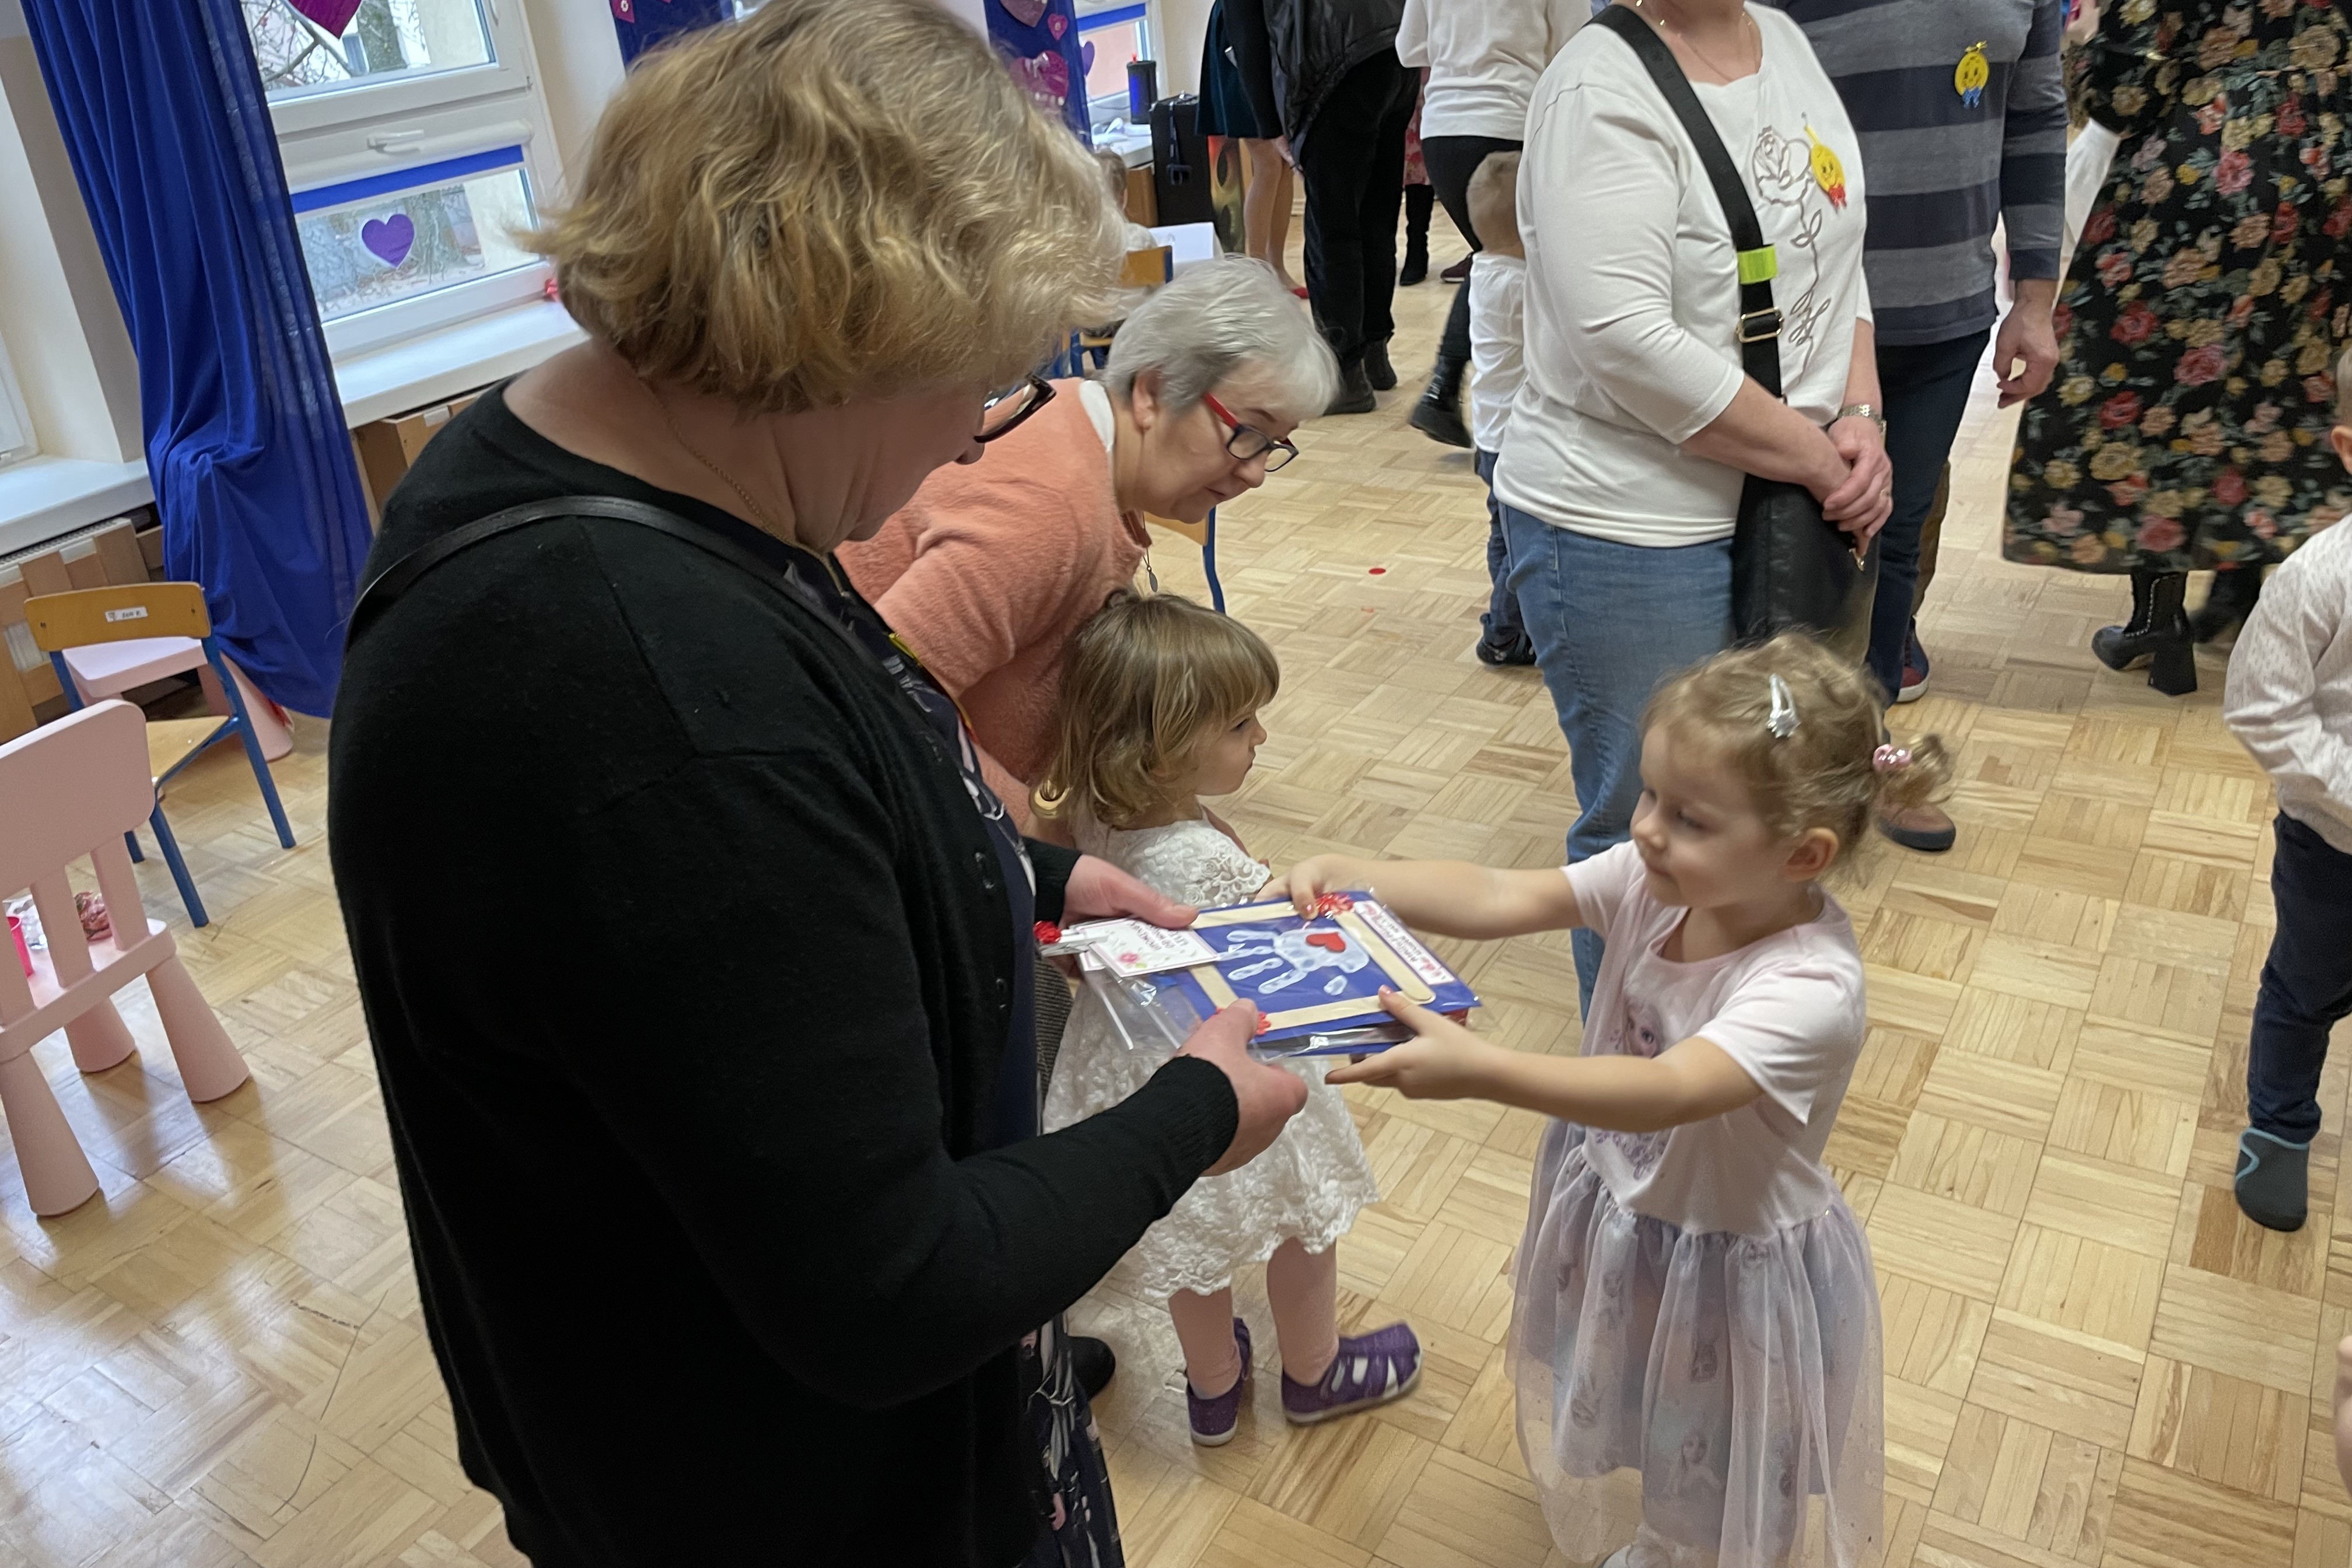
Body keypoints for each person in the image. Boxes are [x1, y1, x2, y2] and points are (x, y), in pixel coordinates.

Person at [326, 6, 1314, 1564]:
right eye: (977, 383)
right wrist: (1188, 1116)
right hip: (786, 1494)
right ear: (848, 339)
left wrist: (1037, 874)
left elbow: (808, 832)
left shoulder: (591, 467)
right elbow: (889, 1288)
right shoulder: (651, 707)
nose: (971, 441)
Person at [1290, 635, 1947, 1567]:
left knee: (1714, 1454)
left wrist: (1484, 1069)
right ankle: (1666, 1540)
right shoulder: (1655, 882)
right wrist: (1362, 877)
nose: (1646, 830)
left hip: (1728, 1267)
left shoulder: (1810, 988)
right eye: (1649, 795)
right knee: (1652, 1412)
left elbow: (1669, 1089)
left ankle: (1693, 1549)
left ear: (1803, 853)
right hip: (1634, 1227)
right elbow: (1503, 892)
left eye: (1689, 817)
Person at [1499, 0, 1891, 1010]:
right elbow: (1622, 336)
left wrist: (1859, 411)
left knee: (1759, 809)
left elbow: (1833, 251)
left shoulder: (1781, 37)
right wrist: (1818, 456)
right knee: (1652, 828)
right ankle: (1636, 1079)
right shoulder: (1598, 86)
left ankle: (1729, 1045)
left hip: (1783, 497)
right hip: (1627, 520)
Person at [1038, 592, 1419, 1446]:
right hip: (1241, 1066)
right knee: (1301, 1222)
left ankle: (1212, 1392)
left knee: (1189, 1232)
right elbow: (1292, 960)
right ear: (1167, 748)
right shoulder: (1202, 858)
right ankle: (1315, 1372)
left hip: (1138, 1067)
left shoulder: (1083, 813)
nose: (1261, 738)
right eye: (1242, 724)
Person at [838, 257, 1336, 830]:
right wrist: (1042, 841)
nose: (1256, 473)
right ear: (1152, 391)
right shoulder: (1046, 511)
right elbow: (882, 701)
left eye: (1274, 446)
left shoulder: (1080, 416)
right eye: (1249, 433)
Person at [1767, 0, 2066, 853]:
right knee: (1789, 543)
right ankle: (1766, 763)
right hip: (1800, 315)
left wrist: (2034, 299)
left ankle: (1862, 753)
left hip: (1947, 311)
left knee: (1895, 537)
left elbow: (2035, 119)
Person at [2005, 0, 2352, 695]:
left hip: (2205, 169)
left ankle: (2158, 620)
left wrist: (2083, 48)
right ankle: (2254, 594)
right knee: (2284, 387)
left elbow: (2125, 94)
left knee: (2152, 394)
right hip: (2326, 167)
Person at [2225, 348, 2352, 1235]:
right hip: (2332, 847)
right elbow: (2261, 709)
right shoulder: (2319, 577)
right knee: (2304, 990)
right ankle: (2278, 1127)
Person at [1395, 0, 1586, 448]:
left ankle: (1450, 391)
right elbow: (1575, 45)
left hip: (1444, 132)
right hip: (1512, 123)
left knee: (1496, 260)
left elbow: (1409, 49)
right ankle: (1458, 392)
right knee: (1511, 262)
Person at [1223, 0, 1416, 415]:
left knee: (1333, 227)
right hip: (1394, 51)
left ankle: (1344, 374)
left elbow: (1248, 34)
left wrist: (1271, 128)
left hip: (1334, 65)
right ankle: (1375, 355)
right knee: (1377, 216)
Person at [1465, 152, 1534, 667]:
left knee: (1503, 535)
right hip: (1517, 441)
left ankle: (1509, 620)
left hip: (1491, 436)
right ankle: (1504, 636)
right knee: (1521, 545)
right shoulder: (1520, 286)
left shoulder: (1484, 271)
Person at [1199, 0, 1305, 294]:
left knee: (1283, 162)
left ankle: (1276, 266)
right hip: (1241, 38)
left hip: (1267, 36)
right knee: (1269, 161)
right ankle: (1257, 271)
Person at [1401, 75, 1436, 286]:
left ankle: (1417, 246)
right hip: (1391, 81)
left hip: (1426, 85)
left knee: (1419, 170)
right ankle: (1382, 249)